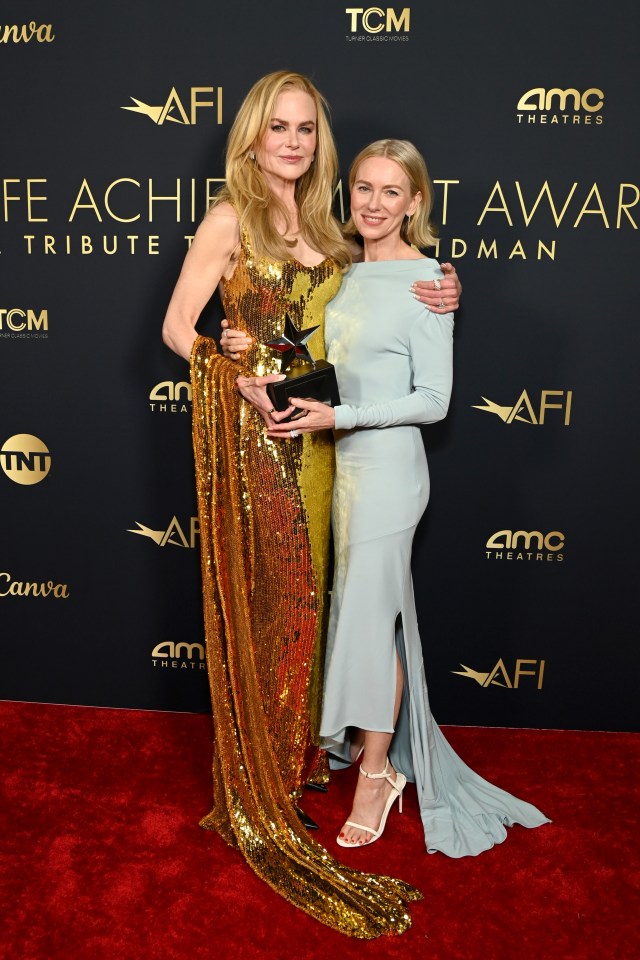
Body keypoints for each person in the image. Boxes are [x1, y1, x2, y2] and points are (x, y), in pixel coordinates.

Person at [163, 72, 460, 937]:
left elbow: (377, 303)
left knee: (311, 612)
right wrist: (241, 382)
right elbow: (182, 328)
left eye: (304, 130)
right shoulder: (229, 218)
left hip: (328, 453)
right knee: (267, 607)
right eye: (276, 127)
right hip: (259, 446)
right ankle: (255, 783)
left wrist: (443, 289)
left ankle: (298, 760)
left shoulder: (330, 225)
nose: (291, 142)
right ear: (252, 136)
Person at [266, 139, 549, 855]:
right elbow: (314, 355)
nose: (373, 203)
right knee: (365, 615)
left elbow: (434, 401)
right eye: (363, 187)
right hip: (337, 467)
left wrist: (344, 418)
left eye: (392, 192)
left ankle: (376, 770)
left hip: (390, 472)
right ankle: (370, 755)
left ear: (417, 202)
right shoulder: (341, 270)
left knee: (368, 614)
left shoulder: (429, 283)